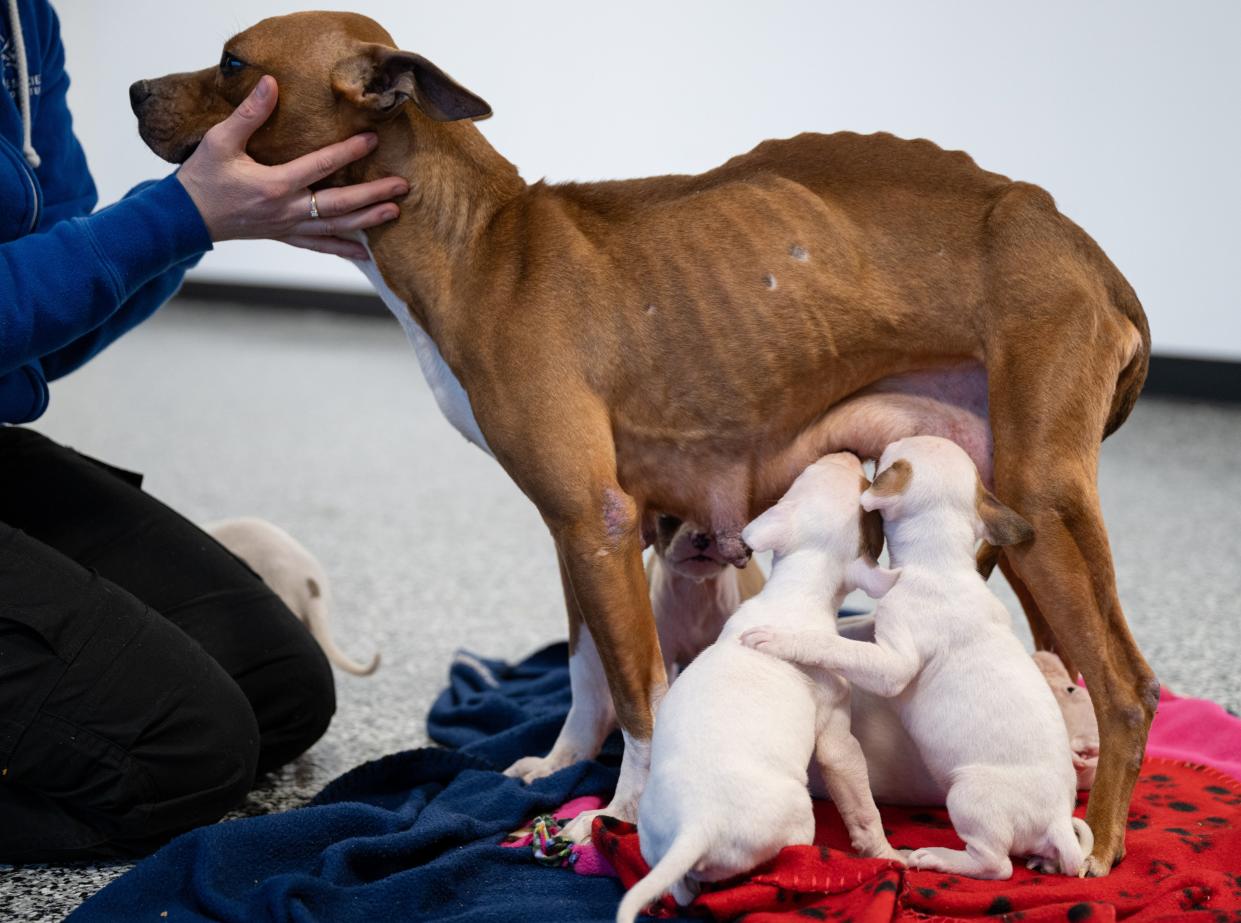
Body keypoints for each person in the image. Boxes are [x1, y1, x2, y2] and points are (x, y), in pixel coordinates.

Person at [0, 0, 406, 861]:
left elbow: (45, 323)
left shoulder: (24, 18)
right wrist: (181, 215)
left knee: (284, 691)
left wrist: (210, 219)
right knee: (182, 758)